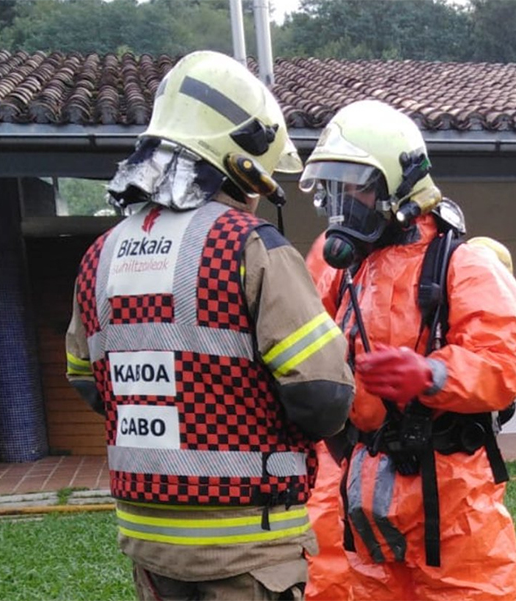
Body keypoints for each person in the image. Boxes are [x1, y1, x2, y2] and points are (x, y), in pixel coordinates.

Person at [65, 50, 354, 601]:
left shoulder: (100, 256)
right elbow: (323, 398)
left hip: (150, 543)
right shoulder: (249, 247)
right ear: (241, 162)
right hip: (246, 548)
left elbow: (89, 382)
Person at [298, 100, 516, 601]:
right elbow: (299, 339)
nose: (343, 203)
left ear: (395, 185)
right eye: (333, 189)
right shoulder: (342, 269)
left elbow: (504, 363)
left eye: (355, 186)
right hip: (364, 492)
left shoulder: (463, 265)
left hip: (452, 502)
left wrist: (429, 375)